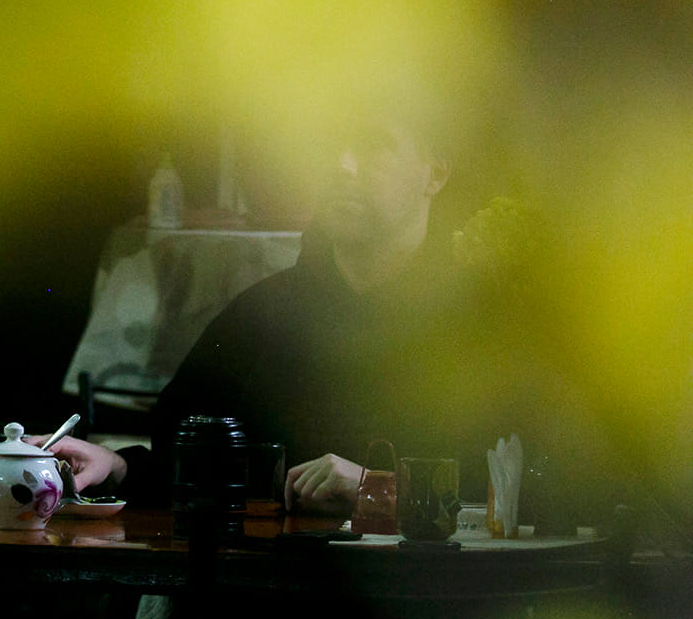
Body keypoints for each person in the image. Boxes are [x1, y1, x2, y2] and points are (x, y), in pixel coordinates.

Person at [49, 111, 508, 515]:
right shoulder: (264, 313)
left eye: (374, 145)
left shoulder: (481, 322)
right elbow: (187, 445)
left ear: (435, 172)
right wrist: (120, 466)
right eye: (330, 144)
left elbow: (514, 487)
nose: (342, 164)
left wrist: (378, 489)